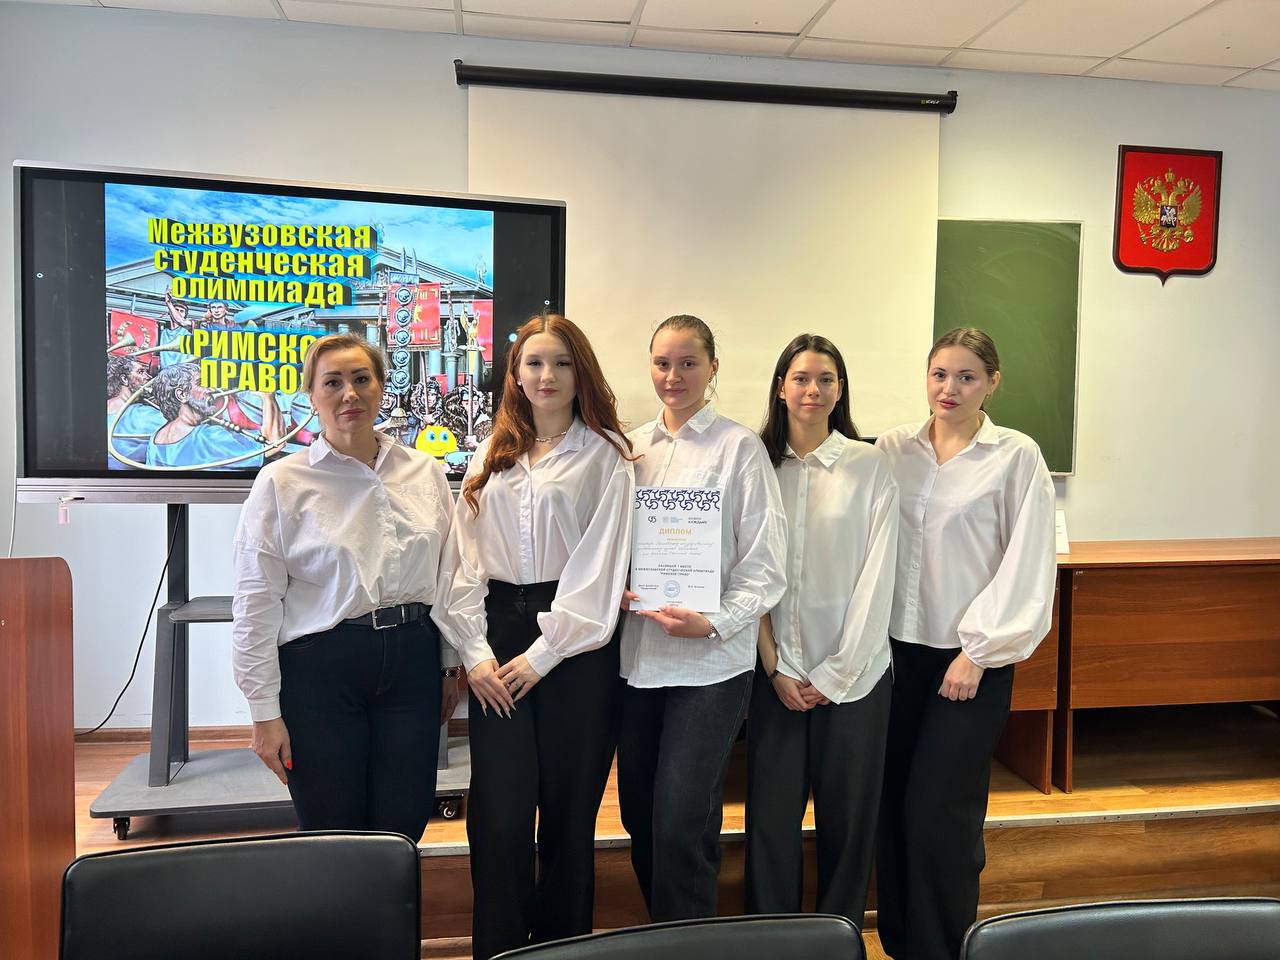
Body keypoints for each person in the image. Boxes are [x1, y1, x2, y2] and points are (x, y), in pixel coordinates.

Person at [432, 314, 635, 960]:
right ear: (515, 375)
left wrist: (544, 654)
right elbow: (463, 565)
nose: (547, 376)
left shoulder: (607, 456)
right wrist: (474, 655)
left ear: (582, 374)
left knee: (570, 818)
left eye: (562, 363)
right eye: (534, 363)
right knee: (500, 815)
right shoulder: (490, 454)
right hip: (497, 639)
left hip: (576, 647)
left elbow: (600, 570)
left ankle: (561, 950)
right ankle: (499, 950)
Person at [231, 333, 463, 840]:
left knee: (405, 822)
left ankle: (393, 898)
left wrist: (449, 665)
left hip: (413, 664)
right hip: (320, 670)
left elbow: (449, 576)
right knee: (331, 828)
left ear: (381, 388)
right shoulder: (281, 482)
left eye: (361, 379)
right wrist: (263, 712)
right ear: (311, 396)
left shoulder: (425, 473)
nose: (349, 394)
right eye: (332, 382)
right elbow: (255, 601)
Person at [874, 327, 1056, 960]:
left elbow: (1028, 561)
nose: (949, 388)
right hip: (892, 656)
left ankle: (943, 947)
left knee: (940, 812)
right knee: (893, 802)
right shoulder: (892, 449)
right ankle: (899, 940)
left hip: (968, 663)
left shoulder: (1015, 456)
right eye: (939, 374)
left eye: (966, 377)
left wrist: (976, 652)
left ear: (992, 383)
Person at [618, 314, 788, 921]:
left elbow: (766, 564)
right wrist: (612, 588)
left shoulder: (739, 448)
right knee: (640, 816)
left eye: (688, 363)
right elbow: (608, 545)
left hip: (711, 665)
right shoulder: (629, 448)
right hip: (637, 660)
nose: (674, 376)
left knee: (682, 820)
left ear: (713, 368)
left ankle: (686, 941)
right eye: (663, 363)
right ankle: (665, 931)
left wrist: (714, 622)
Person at [744, 334, 897, 927]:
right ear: (781, 387)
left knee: (849, 822)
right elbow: (746, 572)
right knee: (770, 821)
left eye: (826, 379)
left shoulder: (869, 465)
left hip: (856, 678)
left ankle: (841, 935)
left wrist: (837, 673)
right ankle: (772, 939)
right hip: (775, 676)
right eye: (801, 378)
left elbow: (878, 577)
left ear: (840, 389)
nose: (813, 390)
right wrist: (775, 666)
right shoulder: (756, 465)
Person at [145, 362, 283, 469]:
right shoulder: (208, 437)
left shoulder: (156, 438)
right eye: (201, 383)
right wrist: (268, 396)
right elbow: (275, 445)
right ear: (182, 395)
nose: (211, 389)